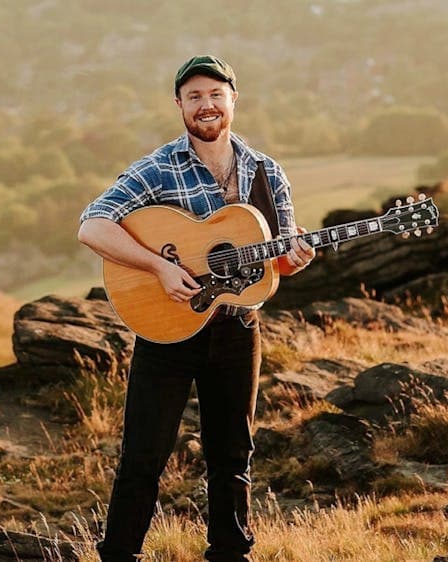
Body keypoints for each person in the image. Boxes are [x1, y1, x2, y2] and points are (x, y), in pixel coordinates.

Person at [77, 55, 316, 562]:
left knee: (232, 454)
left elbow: (275, 266)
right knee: (143, 456)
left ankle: (230, 553)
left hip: (236, 330)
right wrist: (160, 267)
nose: (206, 106)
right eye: (194, 97)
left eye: (214, 95)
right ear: (180, 106)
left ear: (233, 99)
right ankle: (120, 555)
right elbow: (92, 225)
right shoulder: (158, 167)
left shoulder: (266, 173)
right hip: (167, 330)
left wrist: (295, 257)